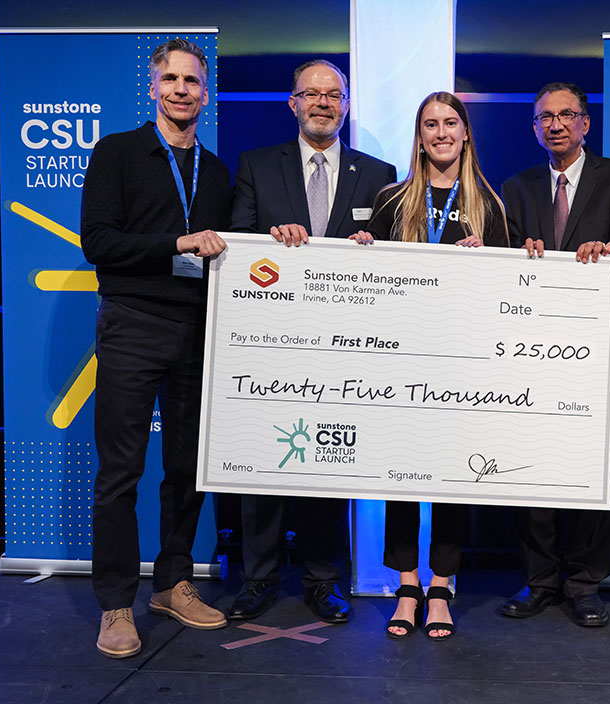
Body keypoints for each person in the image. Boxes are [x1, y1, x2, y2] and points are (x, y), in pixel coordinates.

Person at [228, 59, 397, 624]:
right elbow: (238, 243)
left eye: (334, 94)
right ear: (293, 103)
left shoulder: (380, 174)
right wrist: (269, 241)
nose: (323, 103)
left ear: (346, 104)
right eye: (311, 94)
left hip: (346, 348)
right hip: (272, 345)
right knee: (264, 464)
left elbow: (398, 258)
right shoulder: (255, 166)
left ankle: (325, 581)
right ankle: (258, 579)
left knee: (330, 462)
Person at [80, 38, 231, 659]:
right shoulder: (117, 152)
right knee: (121, 469)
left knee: (188, 467)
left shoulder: (217, 170)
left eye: (191, 81)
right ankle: (116, 603)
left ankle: (172, 582)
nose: (180, 90)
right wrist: (176, 242)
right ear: (152, 87)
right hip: (133, 324)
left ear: (205, 89)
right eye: (169, 79)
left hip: (200, 329)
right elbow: (99, 243)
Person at [352, 91, 509, 640]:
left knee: (450, 479)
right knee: (400, 475)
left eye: (450, 123)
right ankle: (407, 583)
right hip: (399, 359)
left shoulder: (491, 203)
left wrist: (485, 263)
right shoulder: (393, 200)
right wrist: (361, 251)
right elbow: (369, 284)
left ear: (466, 132)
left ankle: (442, 585)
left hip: (464, 362)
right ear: (418, 136)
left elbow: (511, 293)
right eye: (430, 125)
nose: (441, 133)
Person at [499, 82, 610, 627]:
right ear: (535, 127)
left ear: (586, 123)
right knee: (531, 470)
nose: (556, 125)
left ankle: (586, 582)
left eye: (567, 115)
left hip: (598, 354)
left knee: (595, 470)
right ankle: (539, 579)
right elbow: (502, 262)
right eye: (545, 117)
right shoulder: (514, 189)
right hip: (528, 353)